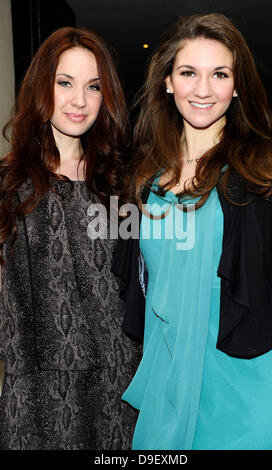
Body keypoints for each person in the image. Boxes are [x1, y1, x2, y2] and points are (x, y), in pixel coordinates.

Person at [112, 13, 272, 450]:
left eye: (219, 74)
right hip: (168, 379)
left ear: (237, 84)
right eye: (189, 72)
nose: (203, 90)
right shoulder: (141, 179)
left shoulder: (268, 170)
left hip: (248, 383)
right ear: (168, 81)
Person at [0, 26, 141, 450]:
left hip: (123, 396)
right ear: (42, 86)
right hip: (39, 404)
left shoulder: (123, 187)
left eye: (93, 87)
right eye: (65, 83)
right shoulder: (8, 187)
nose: (80, 100)